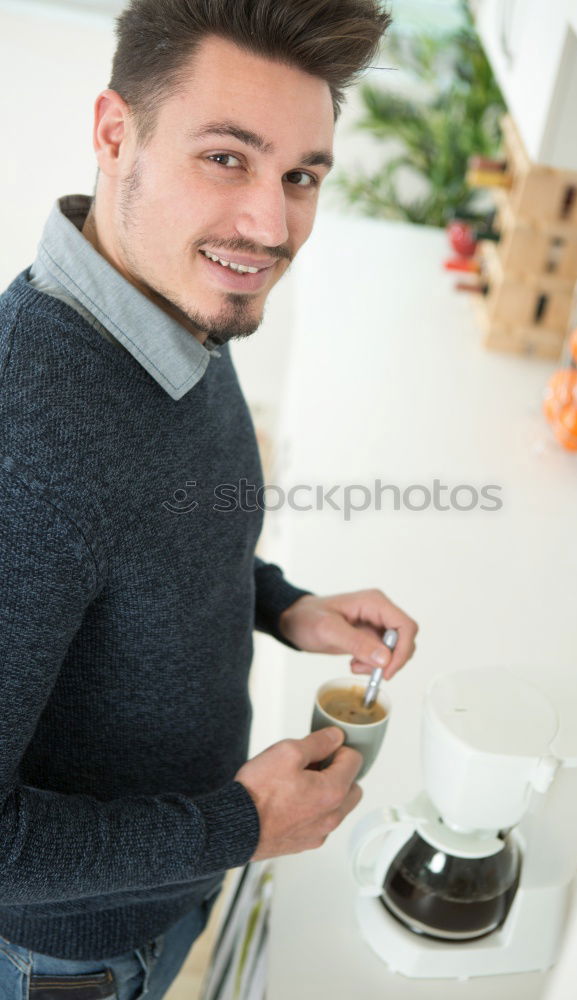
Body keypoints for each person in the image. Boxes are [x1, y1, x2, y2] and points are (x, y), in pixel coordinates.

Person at [0, 1, 418, 997]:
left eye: (301, 176)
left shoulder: (176, 308)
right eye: (227, 157)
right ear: (115, 134)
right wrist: (243, 823)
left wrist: (277, 601)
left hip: (177, 877)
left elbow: (155, 521)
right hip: (74, 957)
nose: (270, 227)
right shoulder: (27, 435)